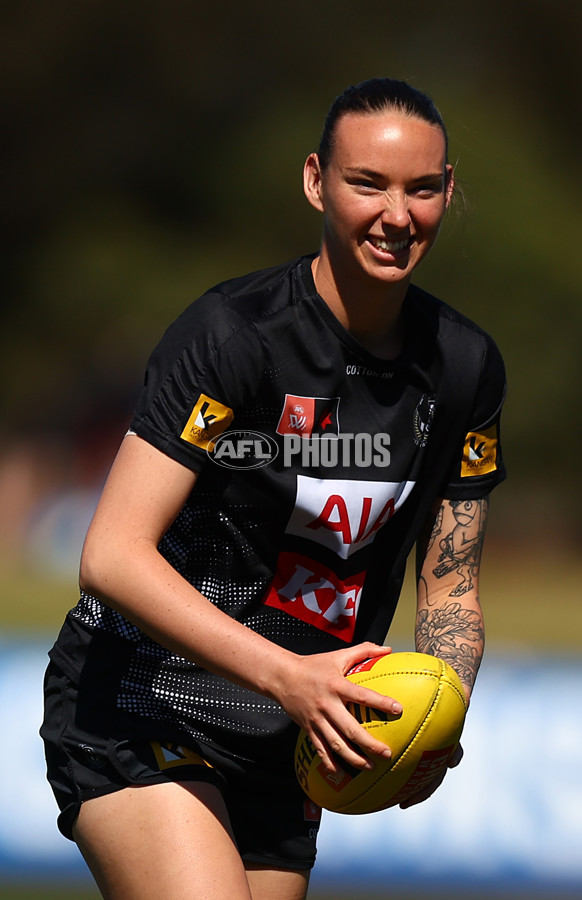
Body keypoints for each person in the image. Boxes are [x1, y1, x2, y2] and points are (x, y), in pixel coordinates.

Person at [40, 78, 506, 900]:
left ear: (447, 193)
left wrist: (441, 712)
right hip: (140, 699)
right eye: (369, 184)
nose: (397, 215)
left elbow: (452, 583)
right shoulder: (233, 337)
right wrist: (289, 676)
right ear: (316, 182)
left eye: (422, 189)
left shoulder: (465, 369)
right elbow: (111, 555)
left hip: (292, 738)